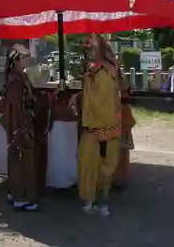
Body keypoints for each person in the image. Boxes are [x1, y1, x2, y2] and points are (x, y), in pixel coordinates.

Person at [77, 34, 122, 217]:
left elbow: (104, 100)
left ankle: (103, 204)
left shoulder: (107, 72)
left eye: (92, 46)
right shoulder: (94, 70)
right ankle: (91, 200)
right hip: (94, 127)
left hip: (104, 127)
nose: (90, 50)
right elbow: (90, 98)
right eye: (89, 47)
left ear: (101, 48)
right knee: (88, 164)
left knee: (105, 168)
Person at [0, 44, 43, 211]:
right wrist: (23, 127)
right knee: (23, 160)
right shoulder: (16, 81)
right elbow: (17, 108)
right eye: (24, 57)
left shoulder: (17, 77)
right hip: (21, 126)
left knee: (17, 159)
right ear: (15, 61)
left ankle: (16, 193)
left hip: (19, 125)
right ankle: (22, 197)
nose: (27, 60)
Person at [113, 65, 135, 188]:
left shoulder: (115, 83)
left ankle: (117, 177)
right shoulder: (123, 82)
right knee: (122, 149)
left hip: (118, 115)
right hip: (123, 115)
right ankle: (120, 177)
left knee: (117, 149)